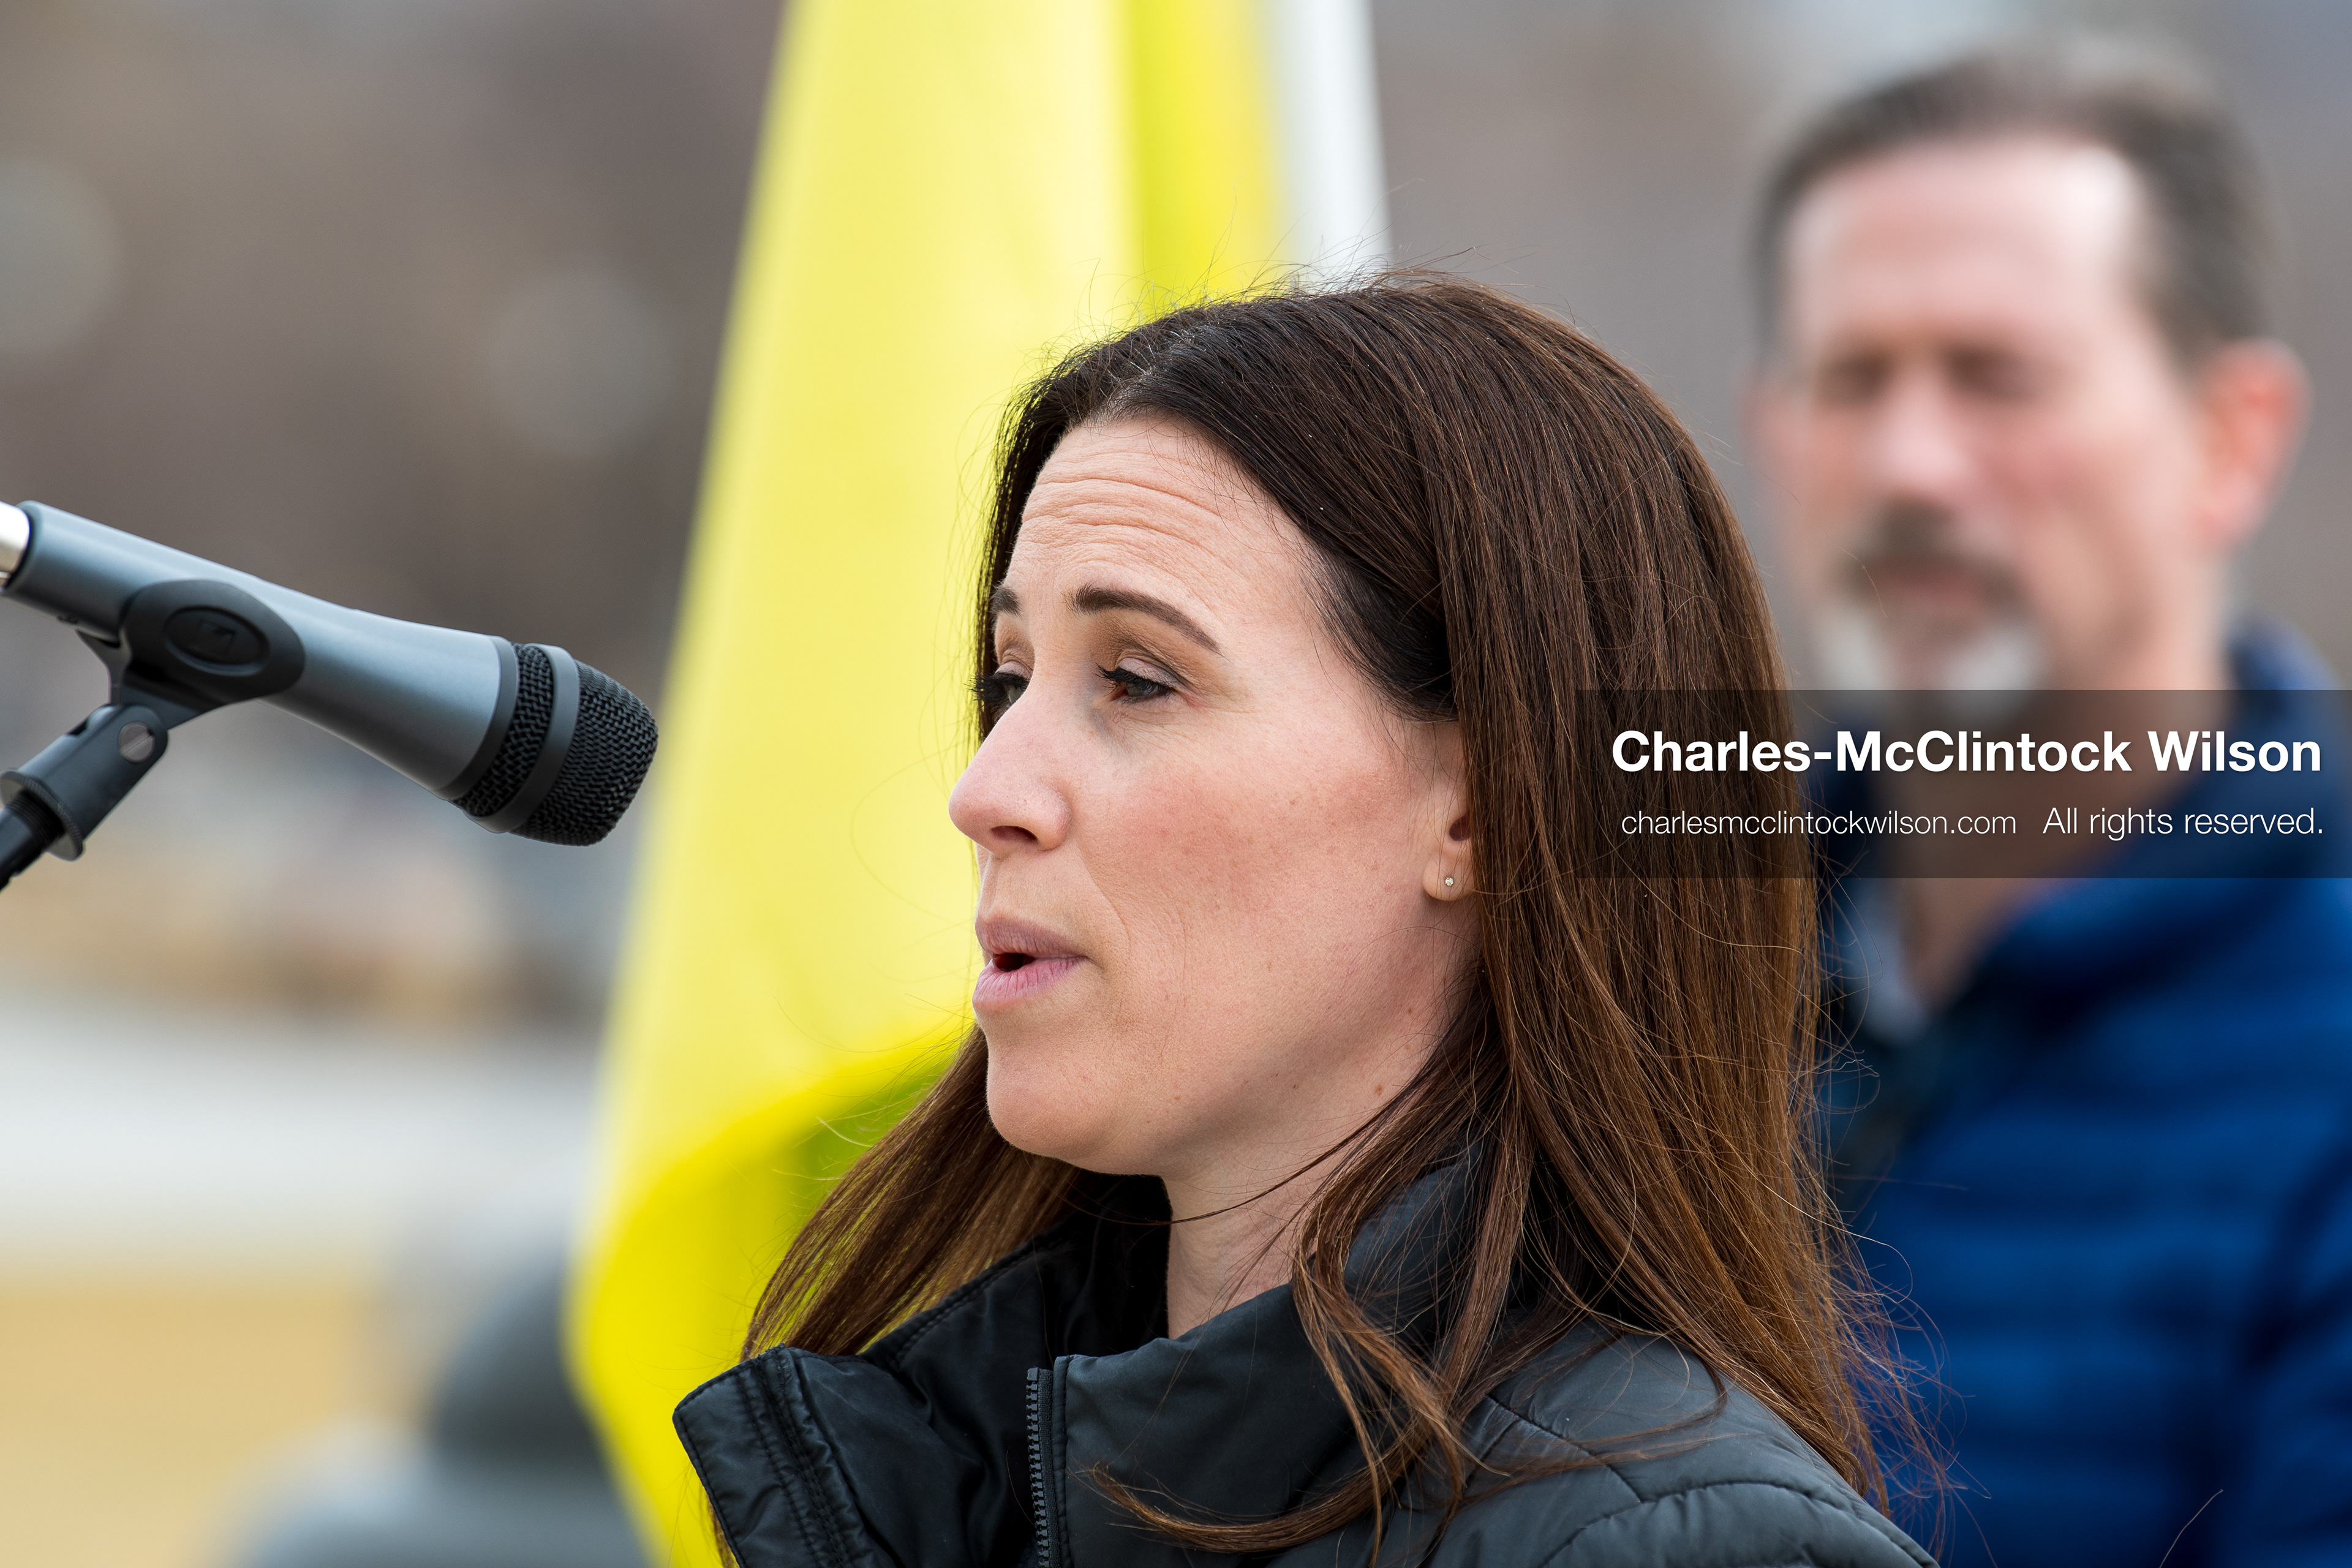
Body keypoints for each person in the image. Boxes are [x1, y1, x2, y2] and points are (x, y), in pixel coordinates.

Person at [668, 278, 1931, 1567]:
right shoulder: (969, 1478)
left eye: (1137, 680)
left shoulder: (1677, 1545)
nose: (985, 791)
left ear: (1480, 809)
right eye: (1009, 680)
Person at [1746, 42, 2352, 1567]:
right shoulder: (1635, 965)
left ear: (2233, 437)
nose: (1910, 464)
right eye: (1851, 379)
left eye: (1996, 376)